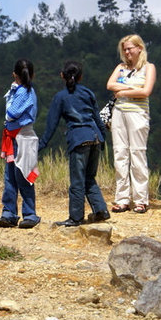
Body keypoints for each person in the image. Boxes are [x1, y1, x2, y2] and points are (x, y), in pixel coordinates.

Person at [39, 61, 110, 226]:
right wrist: (103, 139)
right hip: (95, 138)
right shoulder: (88, 93)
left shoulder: (61, 97)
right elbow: (98, 118)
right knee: (89, 178)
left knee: (77, 181)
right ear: (81, 77)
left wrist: (40, 145)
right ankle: (100, 210)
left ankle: (76, 218)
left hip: (79, 140)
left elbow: (51, 125)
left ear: (62, 76)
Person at [106, 34, 156, 214]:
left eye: (130, 48)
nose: (127, 52)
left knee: (137, 154)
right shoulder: (121, 67)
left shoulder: (148, 68)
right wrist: (133, 90)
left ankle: (141, 199)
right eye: (125, 49)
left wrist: (124, 90)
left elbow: (146, 91)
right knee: (120, 154)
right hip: (119, 112)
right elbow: (110, 85)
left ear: (139, 48)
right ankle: (122, 199)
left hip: (138, 113)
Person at [0, 59, 41, 229]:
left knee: (20, 176)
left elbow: (12, 113)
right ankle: (12, 213)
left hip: (21, 137)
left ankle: (26, 213)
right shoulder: (23, 91)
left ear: (14, 74)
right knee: (13, 176)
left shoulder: (22, 92)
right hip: (15, 137)